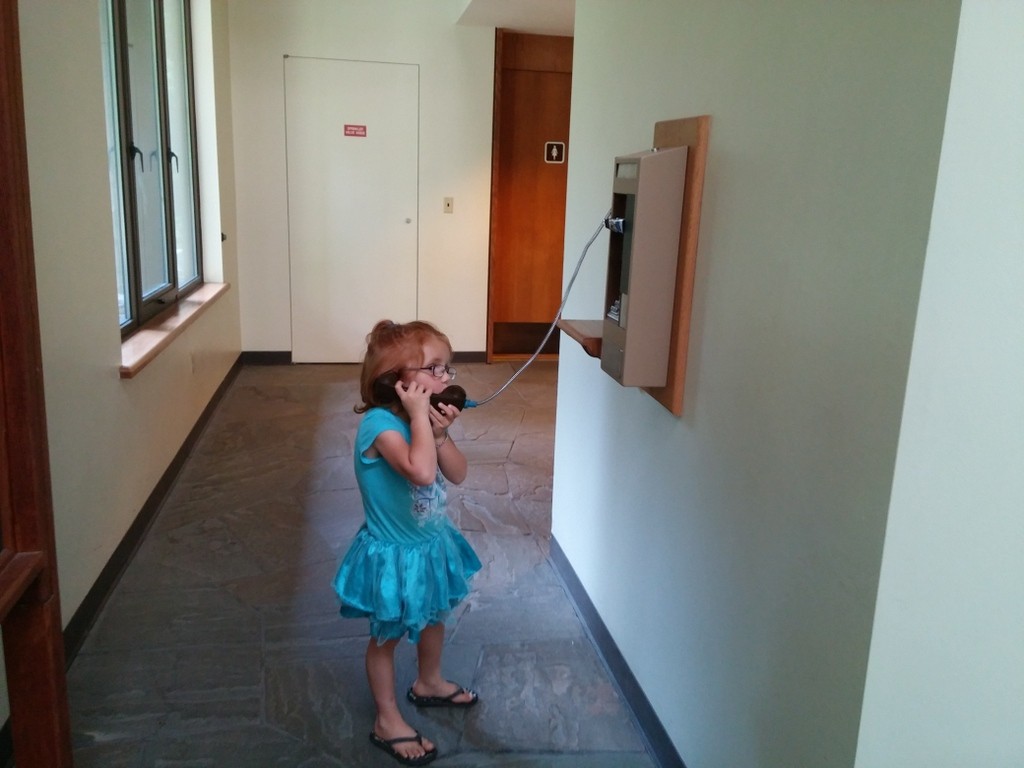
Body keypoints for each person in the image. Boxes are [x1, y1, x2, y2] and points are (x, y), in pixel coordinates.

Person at [333, 319, 481, 766]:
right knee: (387, 636)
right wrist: (420, 420)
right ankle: (386, 718)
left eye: (446, 368)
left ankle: (429, 681)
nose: (445, 378)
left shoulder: (417, 422)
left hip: (430, 545)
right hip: (393, 556)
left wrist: (440, 433)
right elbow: (419, 471)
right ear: (395, 381)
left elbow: (456, 473)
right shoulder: (380, 427)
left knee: (434, 615)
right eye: (433, 368)